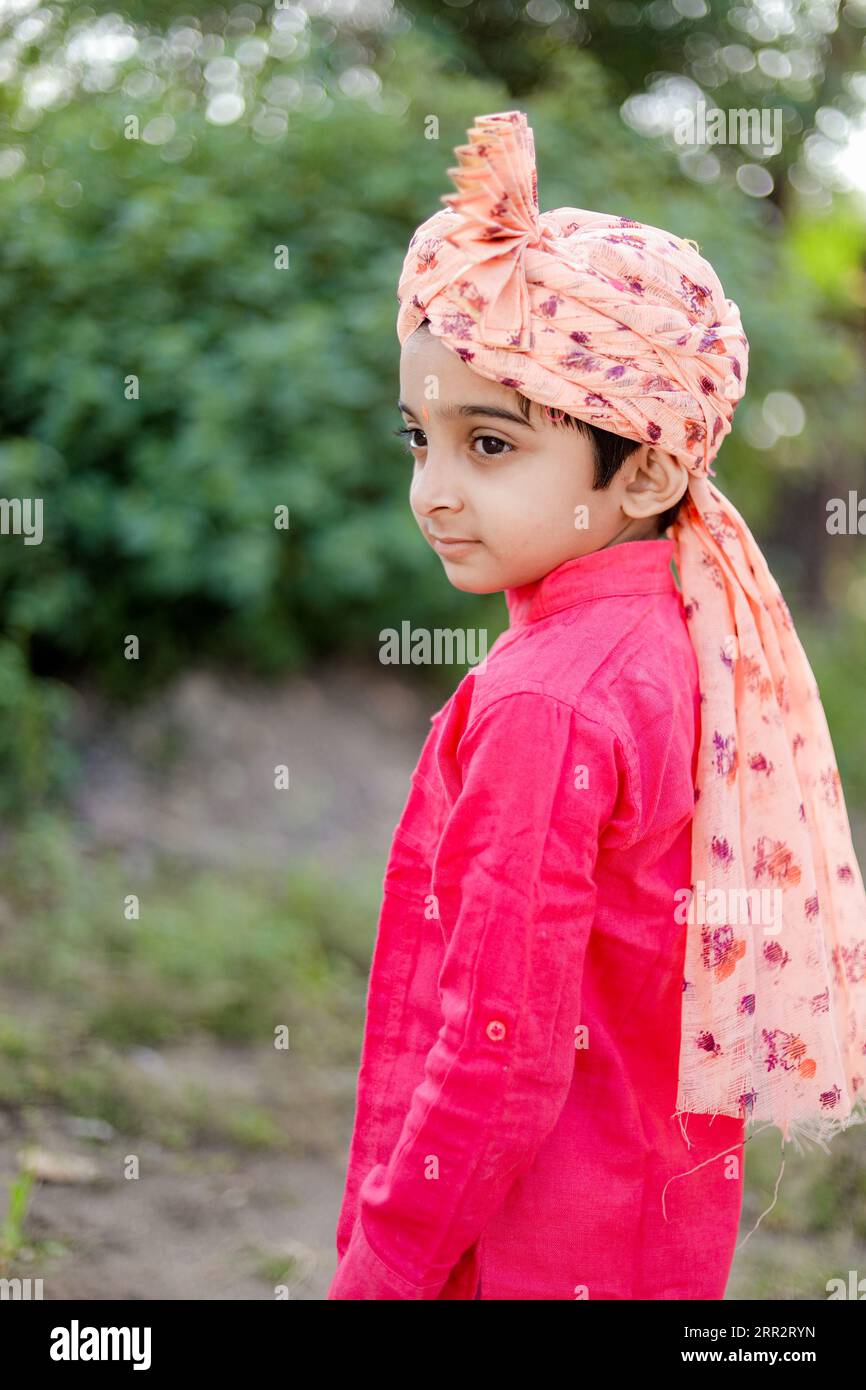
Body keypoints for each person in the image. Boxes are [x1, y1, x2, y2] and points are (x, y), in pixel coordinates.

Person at [327, 111, 866, 1301]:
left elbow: (495, 1056)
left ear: (651, 470)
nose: (434, 490)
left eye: (489, 443)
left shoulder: (548, 698)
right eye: (419, 439)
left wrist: (386, 1263)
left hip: (515, 1250)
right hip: (644, 1237)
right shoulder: (675, 639)